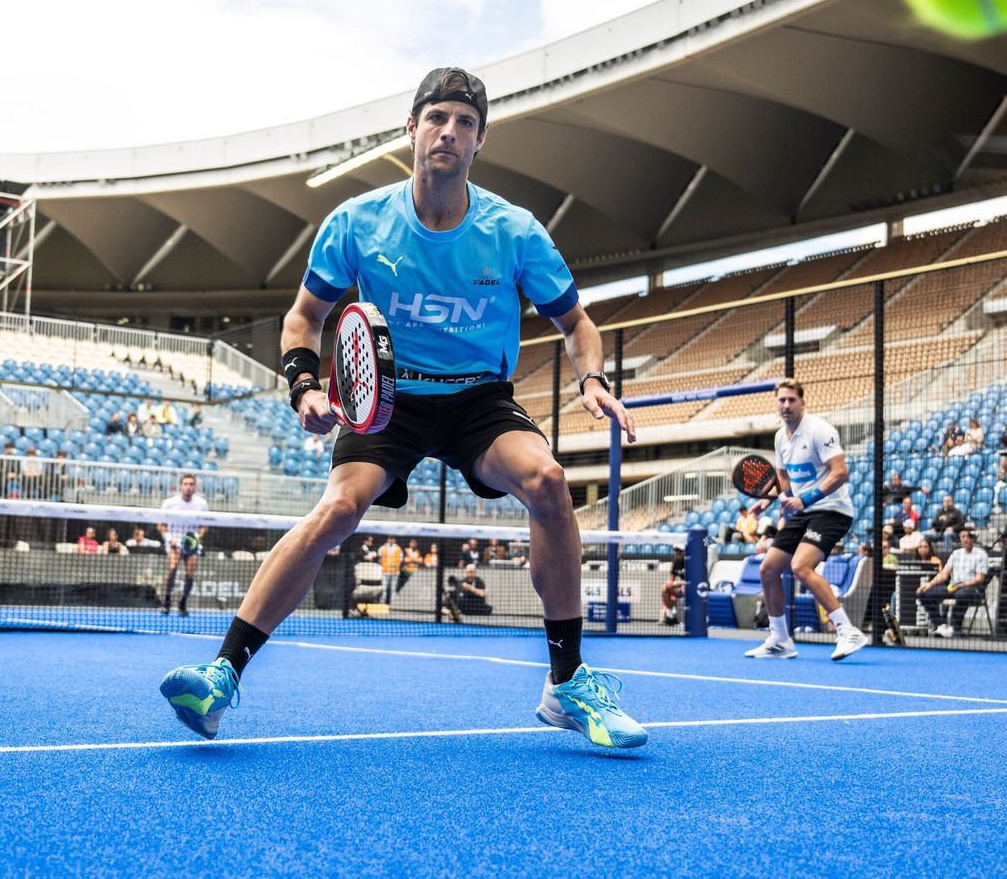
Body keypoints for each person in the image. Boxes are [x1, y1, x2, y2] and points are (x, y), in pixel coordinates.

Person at [160, 67, 645, 748]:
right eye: (438, 117)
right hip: (388, 400)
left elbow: (577, 323)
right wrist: (305, 386)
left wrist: (591, 379)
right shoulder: (359, 221)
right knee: (337, 508)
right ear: (411, 129)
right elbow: (303, 318)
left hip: (478, 398)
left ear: (480, 140)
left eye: (465, 122)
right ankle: (222, 676)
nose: (450, 131)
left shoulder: (514, 231)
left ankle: (566, 683)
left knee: (550, 480)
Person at [743, 379, 867, 661]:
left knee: (800, 567)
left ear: (802, 402)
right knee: (768, 570)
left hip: (831, 510)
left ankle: (847, 631)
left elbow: (840, 473)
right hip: (801, 511)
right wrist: (769, 498)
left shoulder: (820, 430)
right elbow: (784, 479)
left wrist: (804, 499)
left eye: (791, 400)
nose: (786, 405)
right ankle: (780, 639)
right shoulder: (780, 438)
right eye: (781, 400)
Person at [915, 528, 988, 638]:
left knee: (961, 594)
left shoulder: (981, 554)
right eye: (962, 536)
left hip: (972, 589)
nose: (963, 539)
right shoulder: (956, 553)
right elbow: (944, 574)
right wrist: (929, 584)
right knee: (923, 593)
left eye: (966, 536)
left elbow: (979, 579)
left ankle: (954, 627)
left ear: (973, 538)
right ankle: (941, 625)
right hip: (953, 587)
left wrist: (962, 585)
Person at [160, 473, 210, 615]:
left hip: (192, 543)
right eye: (186, 484)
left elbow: (204, 526)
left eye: (191, 484)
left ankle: (183, 602)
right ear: (181, 486)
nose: (188, 487)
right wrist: (170, 539)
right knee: (173, 568)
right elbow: (161, 525)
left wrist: (196, 538)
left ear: (194, 487)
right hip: (174, 541)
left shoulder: (201, 504)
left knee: (190, 574)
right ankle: (167, 600)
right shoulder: (169, 503)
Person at [658, 546, 687, 626]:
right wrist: (674, 583)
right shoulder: (676, 562)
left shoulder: (691, 562)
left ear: (685, 552)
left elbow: (691, 581)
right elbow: (670, 580)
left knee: (685, 588)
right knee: (665, 588)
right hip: (682, 587)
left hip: (693, 589)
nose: (678, 553)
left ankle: (686, 619)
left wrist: (676, 583)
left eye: (680, 551)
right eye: (676, 551)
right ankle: (670, 616)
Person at [377, 535, 403, 603]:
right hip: (385, 571)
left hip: (395, 572)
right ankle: (382, 603)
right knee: (384, 588)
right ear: (388, 539)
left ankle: (393, 604)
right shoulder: (382, 548)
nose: (391, 540)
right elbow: (379, 556)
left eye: (393, 538)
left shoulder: (398, 548)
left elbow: (401, 559)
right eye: (390, 538)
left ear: (395, 540)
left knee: (393, 589)